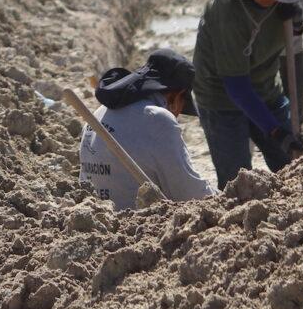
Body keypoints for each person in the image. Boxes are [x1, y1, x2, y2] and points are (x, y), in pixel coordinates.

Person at [192, 0, 303, 188]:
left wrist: (296, 23)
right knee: (238, 180)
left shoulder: (284, 4)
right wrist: (275, 131)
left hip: (266, 88)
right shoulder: (226, 9)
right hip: (220, 97)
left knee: (293, 166)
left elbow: (291, 49)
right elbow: (237, 86)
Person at [78, 49, 214, 209]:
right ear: (176, 97)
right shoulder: (158, 119)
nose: (177, 115)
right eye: (181, 107)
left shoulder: (98, 113)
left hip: (97, 215)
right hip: (138, 223)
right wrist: (222, 201)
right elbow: (190, 193)